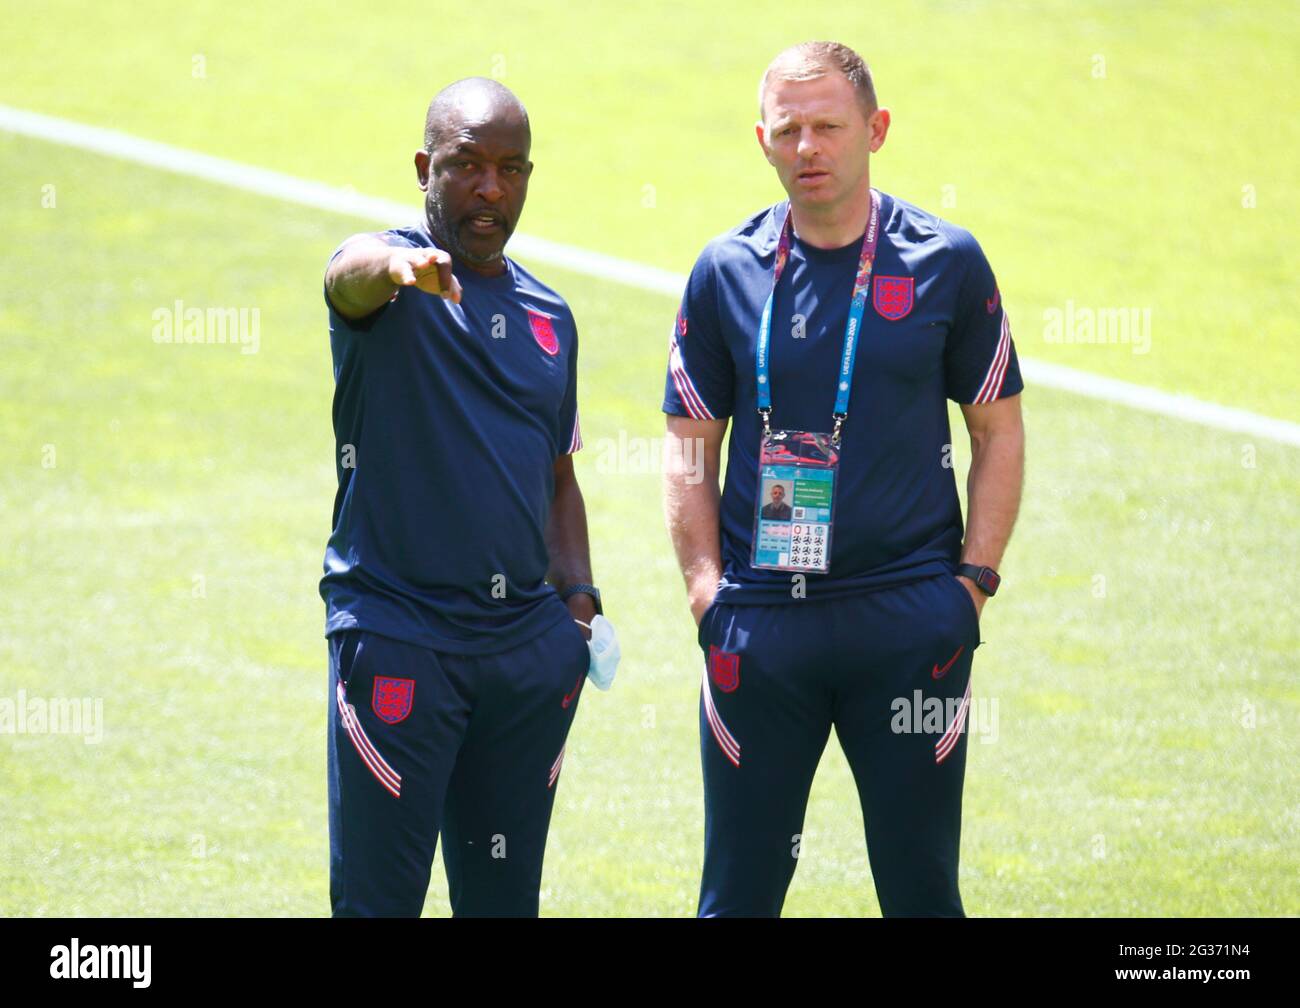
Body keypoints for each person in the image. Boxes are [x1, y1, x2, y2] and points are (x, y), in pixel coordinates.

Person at [662, 41, 1024, 917]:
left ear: (876, 129)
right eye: (788, 130)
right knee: (737, 894)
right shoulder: (725, 270)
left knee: (921, 889)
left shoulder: (947, 260)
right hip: (763, 625)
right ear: (762, 139)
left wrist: (971, 586)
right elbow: (688, 446)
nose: (808, 148)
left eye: (829, 126)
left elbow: (997, 429)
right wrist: (709, 594)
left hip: (909, 620)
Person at [320, 77, 611, 917]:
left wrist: (579, 607)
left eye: (511, 169)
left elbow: (559, 474)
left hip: (525, 657)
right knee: (380, 902)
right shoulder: (390, 283)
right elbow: (348, 276)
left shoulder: (550, 314)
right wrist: (402, 267)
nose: (490, 189)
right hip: (400, 639)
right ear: (424, 167)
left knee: (503, 900)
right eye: (466, 166)